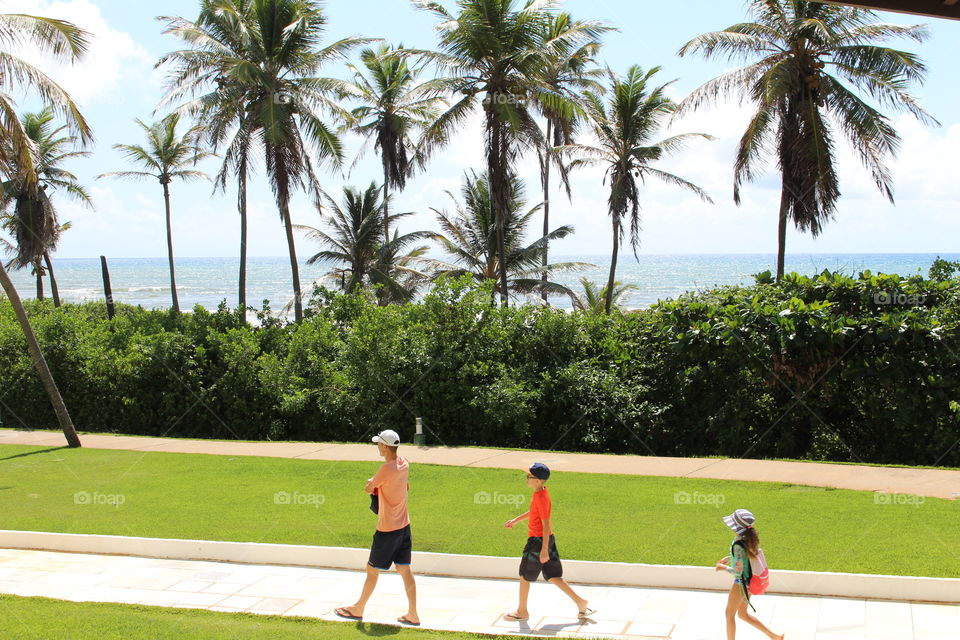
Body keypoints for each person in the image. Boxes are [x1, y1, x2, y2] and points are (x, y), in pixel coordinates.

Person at [336, 429, 419, 626]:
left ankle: (358, 608)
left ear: (384, 446)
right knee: (404, 569)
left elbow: (369, 488)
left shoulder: (386, 469)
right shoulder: (404, 463)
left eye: (379, 444)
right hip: (404, 526)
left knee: (372, 569)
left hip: (387, 529)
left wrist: (371, 483)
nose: (377, 447)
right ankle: (413, 614)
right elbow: (397, 484)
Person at [502, 462, 595, 622]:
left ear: (538, 480)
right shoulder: (540, 492)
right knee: (553, 576)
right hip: (546, 540)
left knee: (524, 575)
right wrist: (517, 520)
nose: (526, 478)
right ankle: (581, 602)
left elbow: (546, 524)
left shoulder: (542, 498)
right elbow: (534, 512)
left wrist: (544, 550)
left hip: (538, 542)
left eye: (529, 476)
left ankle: (522, 612)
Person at [715, 508, 783, 640]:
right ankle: (774, 636)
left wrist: (722, 567)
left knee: (729, 614)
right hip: (750, 583)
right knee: (742, 614)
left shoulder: (738, 544)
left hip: (741, 584)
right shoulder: (749, 539)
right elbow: (745, 558)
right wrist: (730, 558)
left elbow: (738, 572)